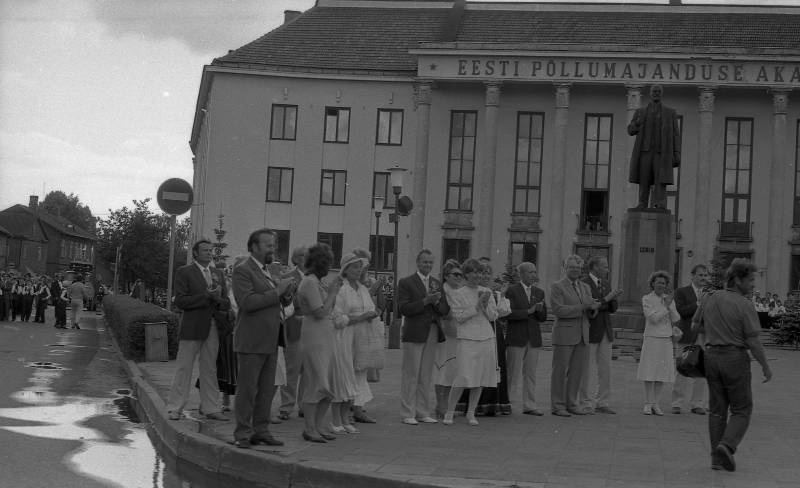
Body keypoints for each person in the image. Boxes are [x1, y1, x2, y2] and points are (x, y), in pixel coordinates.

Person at [693, 259, 772, 472]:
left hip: (711, 357)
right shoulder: (744, 304)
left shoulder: (709, 297)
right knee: (742, 409)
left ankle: (716, 460)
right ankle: (726, 446)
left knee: (717, 410)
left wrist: (717, 330)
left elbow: (695, 325)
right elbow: (753, 340)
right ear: (737, 280)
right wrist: (765, 364)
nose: (753, 284)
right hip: (734, 358)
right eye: (750, 280)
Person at [231, 229, 295, 448]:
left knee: (266, 390)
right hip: (251, 340)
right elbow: (247, 303)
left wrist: (286, 293)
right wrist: (277, 291)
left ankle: (261, 430)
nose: (273, 249)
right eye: (268, 245)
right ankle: (242, 434)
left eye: (273, 245)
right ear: (254, 247)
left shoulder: (268, 271)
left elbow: (279, 303)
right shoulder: (243, 271)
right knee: (248, 390)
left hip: (271, 339)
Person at [165, 239, 231, 422]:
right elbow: (180, 301)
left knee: (209, 369)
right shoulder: (185, 272)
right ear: (195, 253)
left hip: (213, 326)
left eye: (210, 250)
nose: (209, 253)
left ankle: (211, 408)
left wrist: (217, 299)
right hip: (192, 326)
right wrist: (206, 297)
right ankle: (175, 408)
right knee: (184, 367)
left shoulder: (218, 273)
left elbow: (226, 303)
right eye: (204, 250)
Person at [296, 243, 343, 443]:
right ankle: (309, 428)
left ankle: (318, 425)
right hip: (314, 335)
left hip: (325, 335)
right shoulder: (309, 282)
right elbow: (320, 311)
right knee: (317, 382)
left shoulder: (317, 282)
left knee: (328, 384)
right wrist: (333, 292)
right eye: (328, 263)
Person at [443, 258, 499, 426]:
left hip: (486, 337)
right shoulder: (458, 293)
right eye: (474, 272)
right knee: (463, 376)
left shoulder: (486, 290)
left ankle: (471, 412)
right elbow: (459, 317)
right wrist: (477, 306)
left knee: (480, 377)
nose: (477, 275)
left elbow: (493, 316)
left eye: (480, 272)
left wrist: (486, 304)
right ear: (466, 274)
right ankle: (450, 411)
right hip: (467, 338)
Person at [397, 249, 449, 425]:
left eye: (430, 262)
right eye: (425, 262)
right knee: (411, 373)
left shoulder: (436, 283)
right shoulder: (406, 282)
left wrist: (436, 302)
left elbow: (445, 309)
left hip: (432, 330)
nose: (428, 265)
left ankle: (422, 411)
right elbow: (404, 308)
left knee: (426, 374)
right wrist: (425, 301)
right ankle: (407, 412)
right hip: (414, 331)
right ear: (418, 263)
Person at [332, 252, 379, 433]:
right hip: (345, 337)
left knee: (355, 378)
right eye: (355, 267)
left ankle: (346, 418)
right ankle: (336, 419)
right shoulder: (342, 289)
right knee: (342, 377)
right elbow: (337, 318)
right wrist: (360, 317)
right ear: (345, 269)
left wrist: (371, 315)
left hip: (362, 337)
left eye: (360, 267)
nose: (359, 270)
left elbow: (371, 309)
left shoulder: (363, 289)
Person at [550, 255, 600, 417]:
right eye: (572, 267)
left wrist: (593, 309)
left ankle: (572, 403)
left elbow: (589, 311)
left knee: (577, 372)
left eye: (578, 268)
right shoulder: (557, 286)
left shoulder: (585, 286)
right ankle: (558, 406)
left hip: (582, 334)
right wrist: (582, 307)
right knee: (560, 371)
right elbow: (559, 310)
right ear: (565, 268)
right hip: (564, 334)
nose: (575, 270)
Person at [627, 84, 682, 209]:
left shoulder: (670, 113)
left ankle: (660, 203)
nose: (656, 93)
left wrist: (677, 152)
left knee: (660, 179)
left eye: (658, 91)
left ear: (661, 94)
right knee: (644, 178)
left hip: (661, 153)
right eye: (654, 91)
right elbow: (630, 130)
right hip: (644, 151)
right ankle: (642, 203)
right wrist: (637, 123)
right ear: (650, 93)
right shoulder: (640, 112)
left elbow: (676, 135)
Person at [580, 256, 623, 414]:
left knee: (606, 368)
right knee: (587, 369)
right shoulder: (584, 283)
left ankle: (602, 402)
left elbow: (613, 307)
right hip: (591, 330)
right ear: (595, 267)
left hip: (606, 330)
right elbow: (590, 306)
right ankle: (585, 402)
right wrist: (607, 299)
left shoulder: (606, 283)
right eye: (604, 266)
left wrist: (610, 300)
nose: (607, 269)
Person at [505, 262, 548, 416]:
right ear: (521, 274)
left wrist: (540, 310)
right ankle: (507, 403)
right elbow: (508, 314)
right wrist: (529, 311)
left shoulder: (540, 292)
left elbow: (543, 318)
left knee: (530, 374)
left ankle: (529, 405)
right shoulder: (512, 291)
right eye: (530, 272)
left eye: (535, 272)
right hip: (517, 337)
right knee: (513, 373)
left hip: (533, 338)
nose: (534, 275)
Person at [637, 270, 680, 415]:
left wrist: (668, 305)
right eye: (658, 282)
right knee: (649, 371)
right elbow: (652, 318)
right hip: (652, 338)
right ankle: (647, 403)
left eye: (664, 283)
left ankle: (656, 403)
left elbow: (675, 318)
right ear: (653, 283)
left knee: (661, 372)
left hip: (665, 339)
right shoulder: (647, 299)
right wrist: (665, 307)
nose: (661, 285)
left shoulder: (669, 299)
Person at [671, 264, 709, 415]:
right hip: (686, 335)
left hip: (703, 336)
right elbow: (681, 312)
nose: (703, 278)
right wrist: (698, 303)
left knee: (702, 371)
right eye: (700, 275)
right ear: (692, 276)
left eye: (706, 275)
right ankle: (677, 403)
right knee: (682, 369)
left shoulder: (710, 294)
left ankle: (697, 404)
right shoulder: (681, 292)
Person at [278, 246, 307, 421]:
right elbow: (284, 302)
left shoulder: (315, 278)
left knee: (309, 370)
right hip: (294, 327)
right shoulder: (288, 277)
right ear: (295, 259)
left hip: (311, 329)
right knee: (292, 370)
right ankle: (286, 406)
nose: (306, 258)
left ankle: (304, 405)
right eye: (302, 256)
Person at [433, 259, 463, 419]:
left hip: (458, 334)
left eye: (461, 274)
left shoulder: (460, 291)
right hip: (445, 335)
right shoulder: (442, 291)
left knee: (453, 370)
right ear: (446, 276)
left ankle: (448, 405)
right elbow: (445, 312)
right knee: (442, 369)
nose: (459, 277)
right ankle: (440, 405)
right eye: (455, 274)